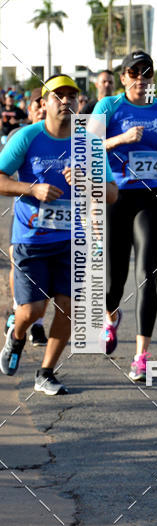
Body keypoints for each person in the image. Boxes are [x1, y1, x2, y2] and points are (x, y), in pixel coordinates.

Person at [0, 75, 117, 393]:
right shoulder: (27, 137)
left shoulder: (90, 143)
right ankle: (17, 335)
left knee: (70, 308)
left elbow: (112, 193)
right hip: (32, 240)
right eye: (58, 95)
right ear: (44, 103)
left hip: (72, 241)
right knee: (32, 311)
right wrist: (32, 188)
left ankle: (46, 372)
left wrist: (86, 181)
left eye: (72, 96)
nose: (66, 101)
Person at [94, 51, 157, 381]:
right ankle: (111, 315)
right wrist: (121, 138)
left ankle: (141, 355)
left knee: (147, 273)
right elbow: (86, 145)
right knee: (115, 278)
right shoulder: (110, 107)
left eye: (146, 73)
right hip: (117, 195)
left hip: (153, 195)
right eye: (134, 73)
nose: (141, 79)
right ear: (124, 77)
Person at [4, 88, 48, 345]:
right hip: (25, 214)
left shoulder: (63, 136)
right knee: (16, 263)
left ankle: (38, 324)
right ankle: (18, 306)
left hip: (56, 216)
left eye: (44, 105)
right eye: (37, 106)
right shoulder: (17, 135)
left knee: (49, 271)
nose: (41, 110)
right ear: (29, 109)